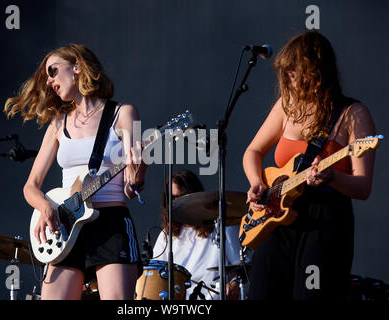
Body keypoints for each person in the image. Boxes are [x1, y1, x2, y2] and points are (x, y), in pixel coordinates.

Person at [4, 44, 147, 300]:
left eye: (53, 71)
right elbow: (31, 186)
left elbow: (131, 187)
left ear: (77, 67)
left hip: (110, 223)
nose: (49, 81)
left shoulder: (122, 113)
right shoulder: (58, 123)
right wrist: (46, 208)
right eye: (47, 76)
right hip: (65, 226)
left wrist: (136, 177)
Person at [242, 31, 376, 300]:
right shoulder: (286, 106)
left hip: (324, 221)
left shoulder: (353, 114)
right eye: (287, 73)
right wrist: (257, 182)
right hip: (277, 216)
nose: (290, 79)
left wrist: (331, 178)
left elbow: (363, 187)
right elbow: (253, 151)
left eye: (296, 72)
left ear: (316, 72)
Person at [152, 170, 242, 300]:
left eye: (182, 197)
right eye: (173, 198)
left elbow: (242, 269)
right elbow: (155, 276)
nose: (176, 203)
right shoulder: (166, 235)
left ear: (195, 196)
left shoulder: (222, 227)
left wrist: (235, 284)